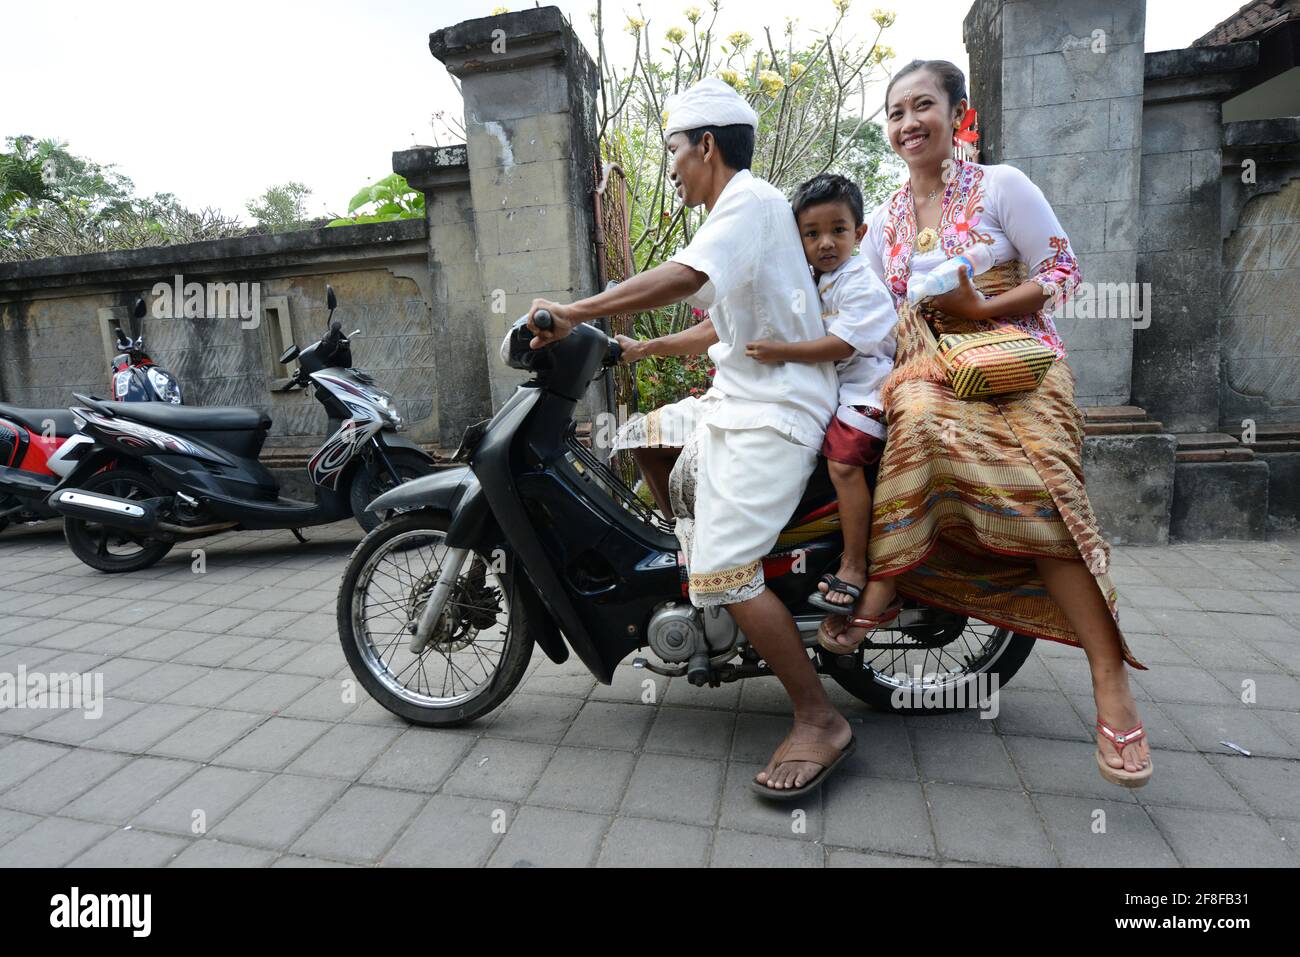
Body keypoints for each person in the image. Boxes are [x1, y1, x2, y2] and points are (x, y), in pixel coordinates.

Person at [526, 78, 855, 797]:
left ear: (706, 145)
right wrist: (639, 350)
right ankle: (706, 613)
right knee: (653, 452)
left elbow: (685, 278)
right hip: (742, 398)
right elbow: (725, 316)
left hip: (777, 411)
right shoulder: (741, 214)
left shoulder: (752, 202)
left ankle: (818, 716)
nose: (670, 165)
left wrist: (574, 309)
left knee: (727, 563)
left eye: (673, 150)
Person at [829, 58, 1152, 786]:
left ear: (957, 113)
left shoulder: (1003, 186)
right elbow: (878, 320)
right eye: (895, 112)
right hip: (927, 371)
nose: (908, 123)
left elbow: (1063, 270)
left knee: (1043, 488)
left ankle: (1110, 677)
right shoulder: (881, 221)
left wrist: (981, 311)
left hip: (1019, 363)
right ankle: (886, 580)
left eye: (923, 106)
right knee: (907, 412)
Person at [744, 173, 900, 647]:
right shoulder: (817, 279)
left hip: (866, 394)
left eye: (838, 230)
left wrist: (781, 351)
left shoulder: (861, 284)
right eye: (812, 233)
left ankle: (854, 564)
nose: (825, 242)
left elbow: (842, 343)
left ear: (861, 233)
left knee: (843, 464)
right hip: (836, 393)